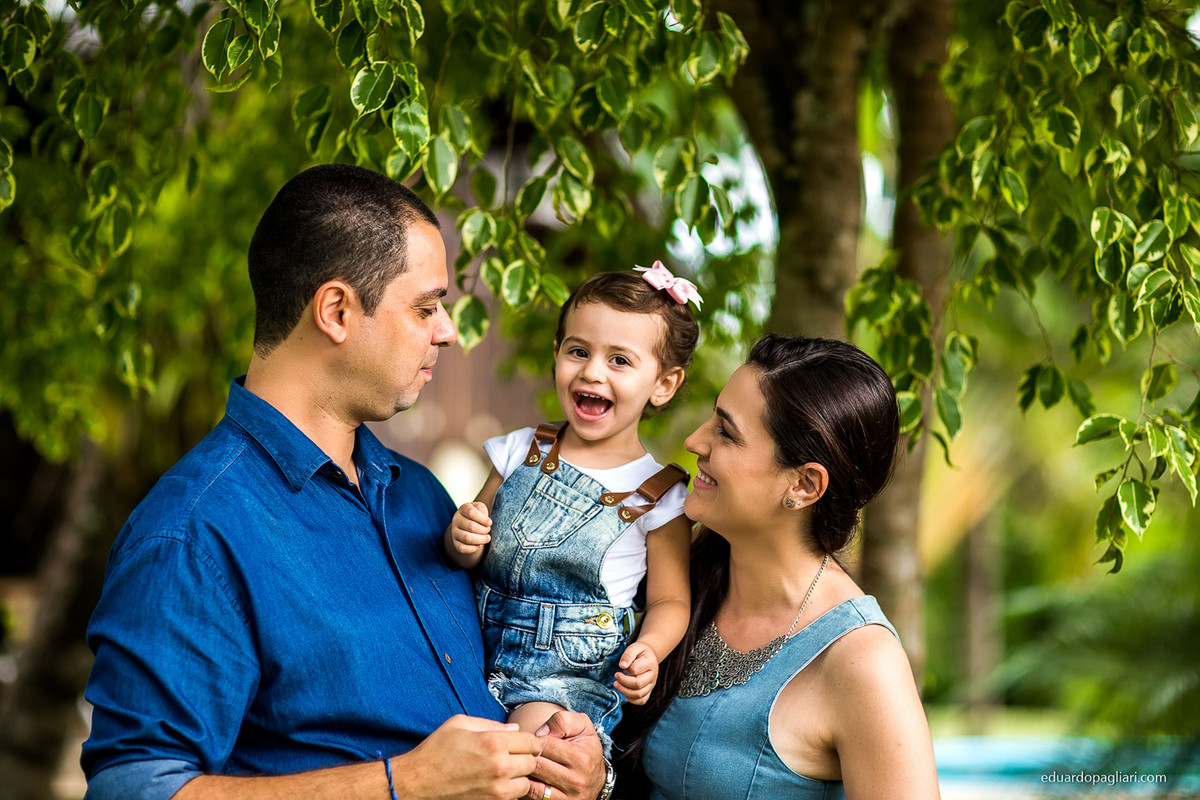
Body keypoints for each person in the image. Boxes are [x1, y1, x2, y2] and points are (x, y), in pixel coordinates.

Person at [80, 164, 607, 800]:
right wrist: (404, 783)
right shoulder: (193, 533)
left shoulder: (424, 499)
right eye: (424, 307)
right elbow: (133, 789)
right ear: (335, 310)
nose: (446, 330)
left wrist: (566, 761)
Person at [614, 334, 941, 799]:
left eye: (726, 433)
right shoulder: (675, 577)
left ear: (804, 485)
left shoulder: (862, 664)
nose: (694, 441)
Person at [444, 265, 700, 751]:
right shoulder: (522, 449)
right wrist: (463, 536)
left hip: (566, 681)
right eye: (578, 351)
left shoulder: (659, 494)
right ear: (557, 355)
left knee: (531, 747)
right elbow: (468, 557)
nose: (592, 371)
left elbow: (670, 600)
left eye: (620, 360)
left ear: (663, 384)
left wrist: (649, 650)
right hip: (470, 646)